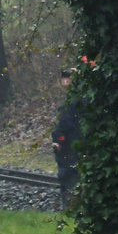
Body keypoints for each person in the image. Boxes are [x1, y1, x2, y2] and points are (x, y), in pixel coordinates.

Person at [52, 67, 82, 208]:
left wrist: (58, 140)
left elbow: (64, 124)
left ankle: (70, 206)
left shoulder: (68, 104)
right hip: (82, 145)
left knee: (68, 176)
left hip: (69, 147)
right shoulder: (87, 100)